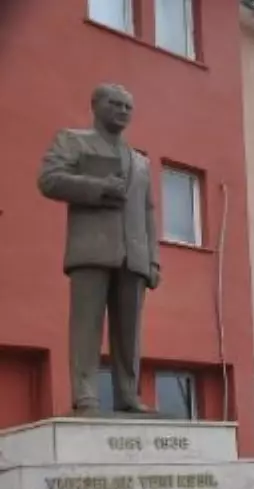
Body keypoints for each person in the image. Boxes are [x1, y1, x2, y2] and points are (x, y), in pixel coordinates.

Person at [38, 83, 161, 414]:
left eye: (127, 106)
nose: (122, 110)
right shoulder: (73, 140)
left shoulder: (141, 162)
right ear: (95, 105)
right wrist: (97, 188)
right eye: (115, 103)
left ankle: (128, 394)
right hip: (91, 249)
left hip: (134, 257)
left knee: (129, 333)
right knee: (87, 325)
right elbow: (49, 179)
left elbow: (149, 211)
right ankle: (86, 393)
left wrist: (153, 260)